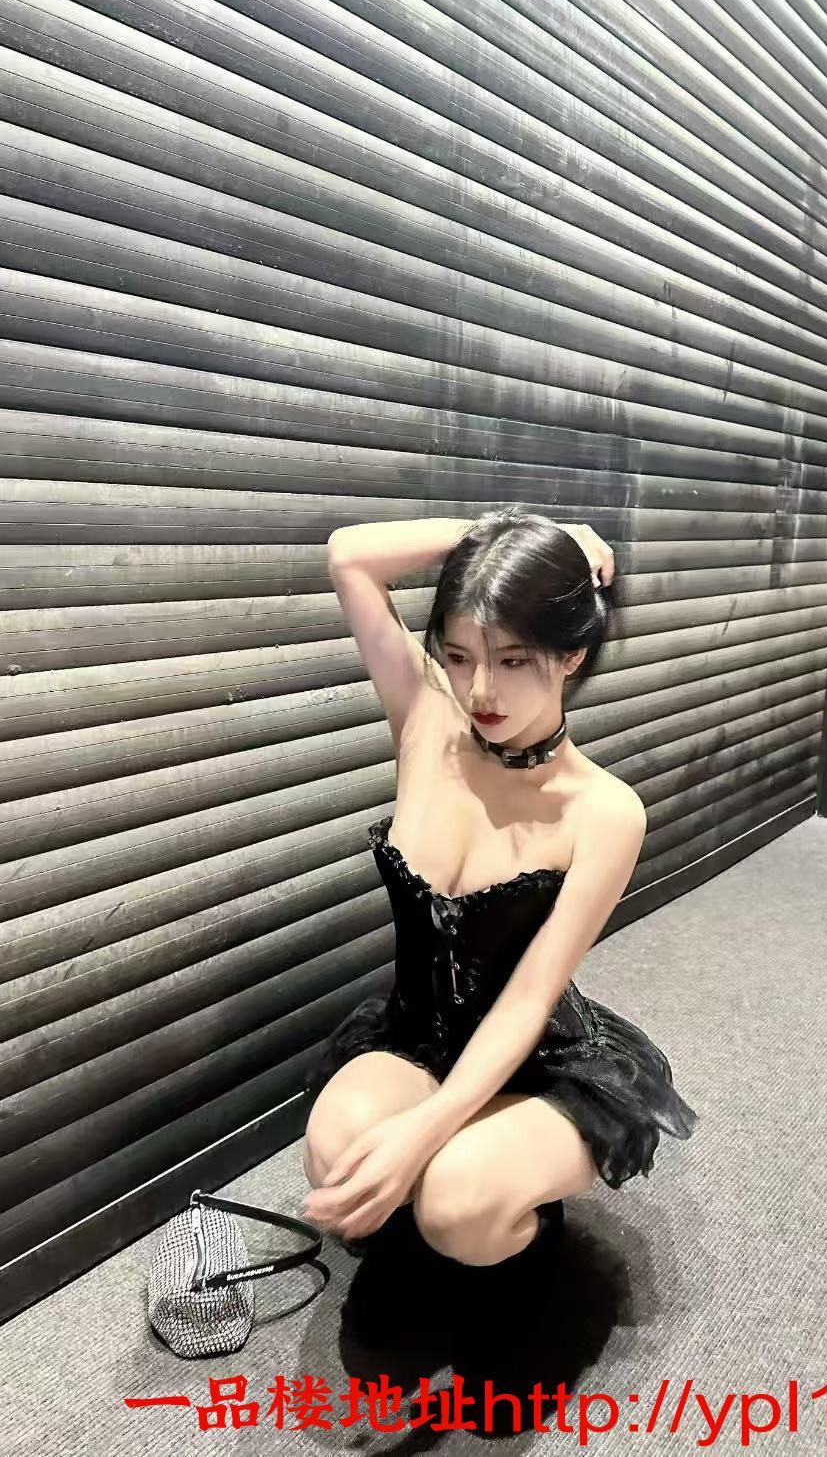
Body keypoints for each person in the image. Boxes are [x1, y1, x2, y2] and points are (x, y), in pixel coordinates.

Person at [299, 506, 698, 1299]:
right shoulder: (425, 718)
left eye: (514, 659)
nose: (481, 688)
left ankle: (517, 1220)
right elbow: (349, 555)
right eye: (458, 655)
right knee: (335, 1150)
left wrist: (424, 1129)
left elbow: (527, 1000)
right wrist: (510, 530)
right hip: (416, 1036)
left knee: (459, 1205)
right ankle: (447, 1187)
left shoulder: (606, 811)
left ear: (571, 652)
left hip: (539, 1058)